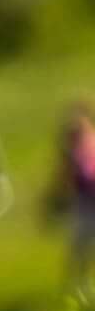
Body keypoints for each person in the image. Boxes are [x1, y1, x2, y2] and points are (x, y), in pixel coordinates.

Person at [58, 102, 95, 279]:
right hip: (85, 201)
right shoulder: (78, 151)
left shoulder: (87, 145)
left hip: (88, 200)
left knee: (81, 244)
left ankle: (78, 280)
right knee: (81, 244)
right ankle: (77, 280)